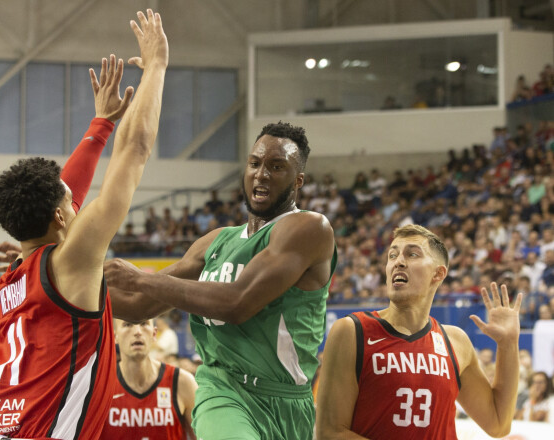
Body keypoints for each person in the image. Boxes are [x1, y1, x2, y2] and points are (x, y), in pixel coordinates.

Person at [0, 10, 168, 439]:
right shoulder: (70, 263)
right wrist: (156, 66)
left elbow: (62, 197)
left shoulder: (15, 278)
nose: (76, 199)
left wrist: (100, 126)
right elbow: (135, 151)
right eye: (71, 202)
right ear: (62, 216)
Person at [104, 121, 337, 439]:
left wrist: (140, 279)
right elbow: (135, 307)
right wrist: (51, 278)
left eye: (276, 166)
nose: (261, 174)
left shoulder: (309, 228)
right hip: (223, 390)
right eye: (254, 163)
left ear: (298, 181)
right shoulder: (213, 242)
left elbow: (237, 303)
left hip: (289, 403)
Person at [316, 224, 522, 439]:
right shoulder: (352, 331)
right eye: (392, 255)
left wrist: (508, 344)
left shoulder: (455, 341)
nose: (399, 262)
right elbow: (329, 433)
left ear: (438, 274)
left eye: (412, 254)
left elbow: (499, 423)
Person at [100, 318, 197, 439]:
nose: (137, 332)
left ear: (154, 333)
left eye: (144, 323)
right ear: (115, 336)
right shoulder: (100, 386)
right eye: (128, 324)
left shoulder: (182, 382)